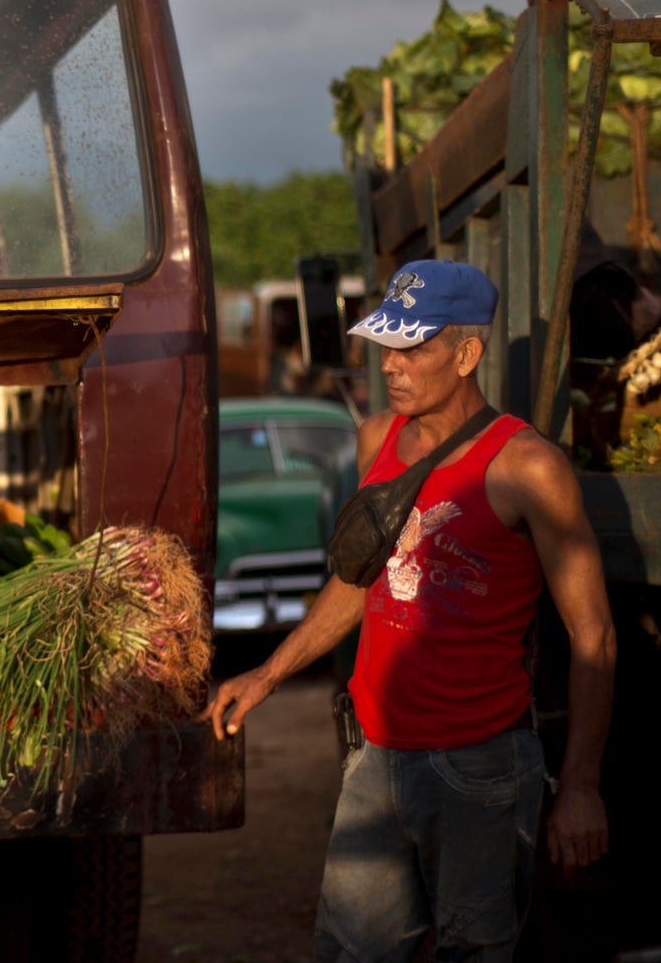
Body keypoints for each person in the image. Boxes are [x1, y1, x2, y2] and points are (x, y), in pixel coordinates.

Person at [205, 259, 617, 962]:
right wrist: (268, 674)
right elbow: (359, 583)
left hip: (480, 768)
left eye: (414, 348)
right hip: (376, 757)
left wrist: (579, 787)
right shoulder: (376, 441)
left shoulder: (525, 467)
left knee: (474, 951)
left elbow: (594, 636)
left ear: (465, 354)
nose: (392, 366)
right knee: (350, 951)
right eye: (387, 346)